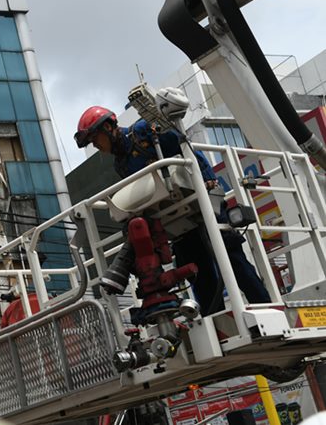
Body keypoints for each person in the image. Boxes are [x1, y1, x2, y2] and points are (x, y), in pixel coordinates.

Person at [74, 106, 271, 314]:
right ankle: (217, 324)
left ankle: (265, 308)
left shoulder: (142, 131)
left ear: (107, 127)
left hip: (200, 201)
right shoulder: (121, 164)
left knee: (233, 261)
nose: (96, 145)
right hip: (177, 219)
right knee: (199, 276)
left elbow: (184, 146)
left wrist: (207, 177)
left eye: (95, 139)